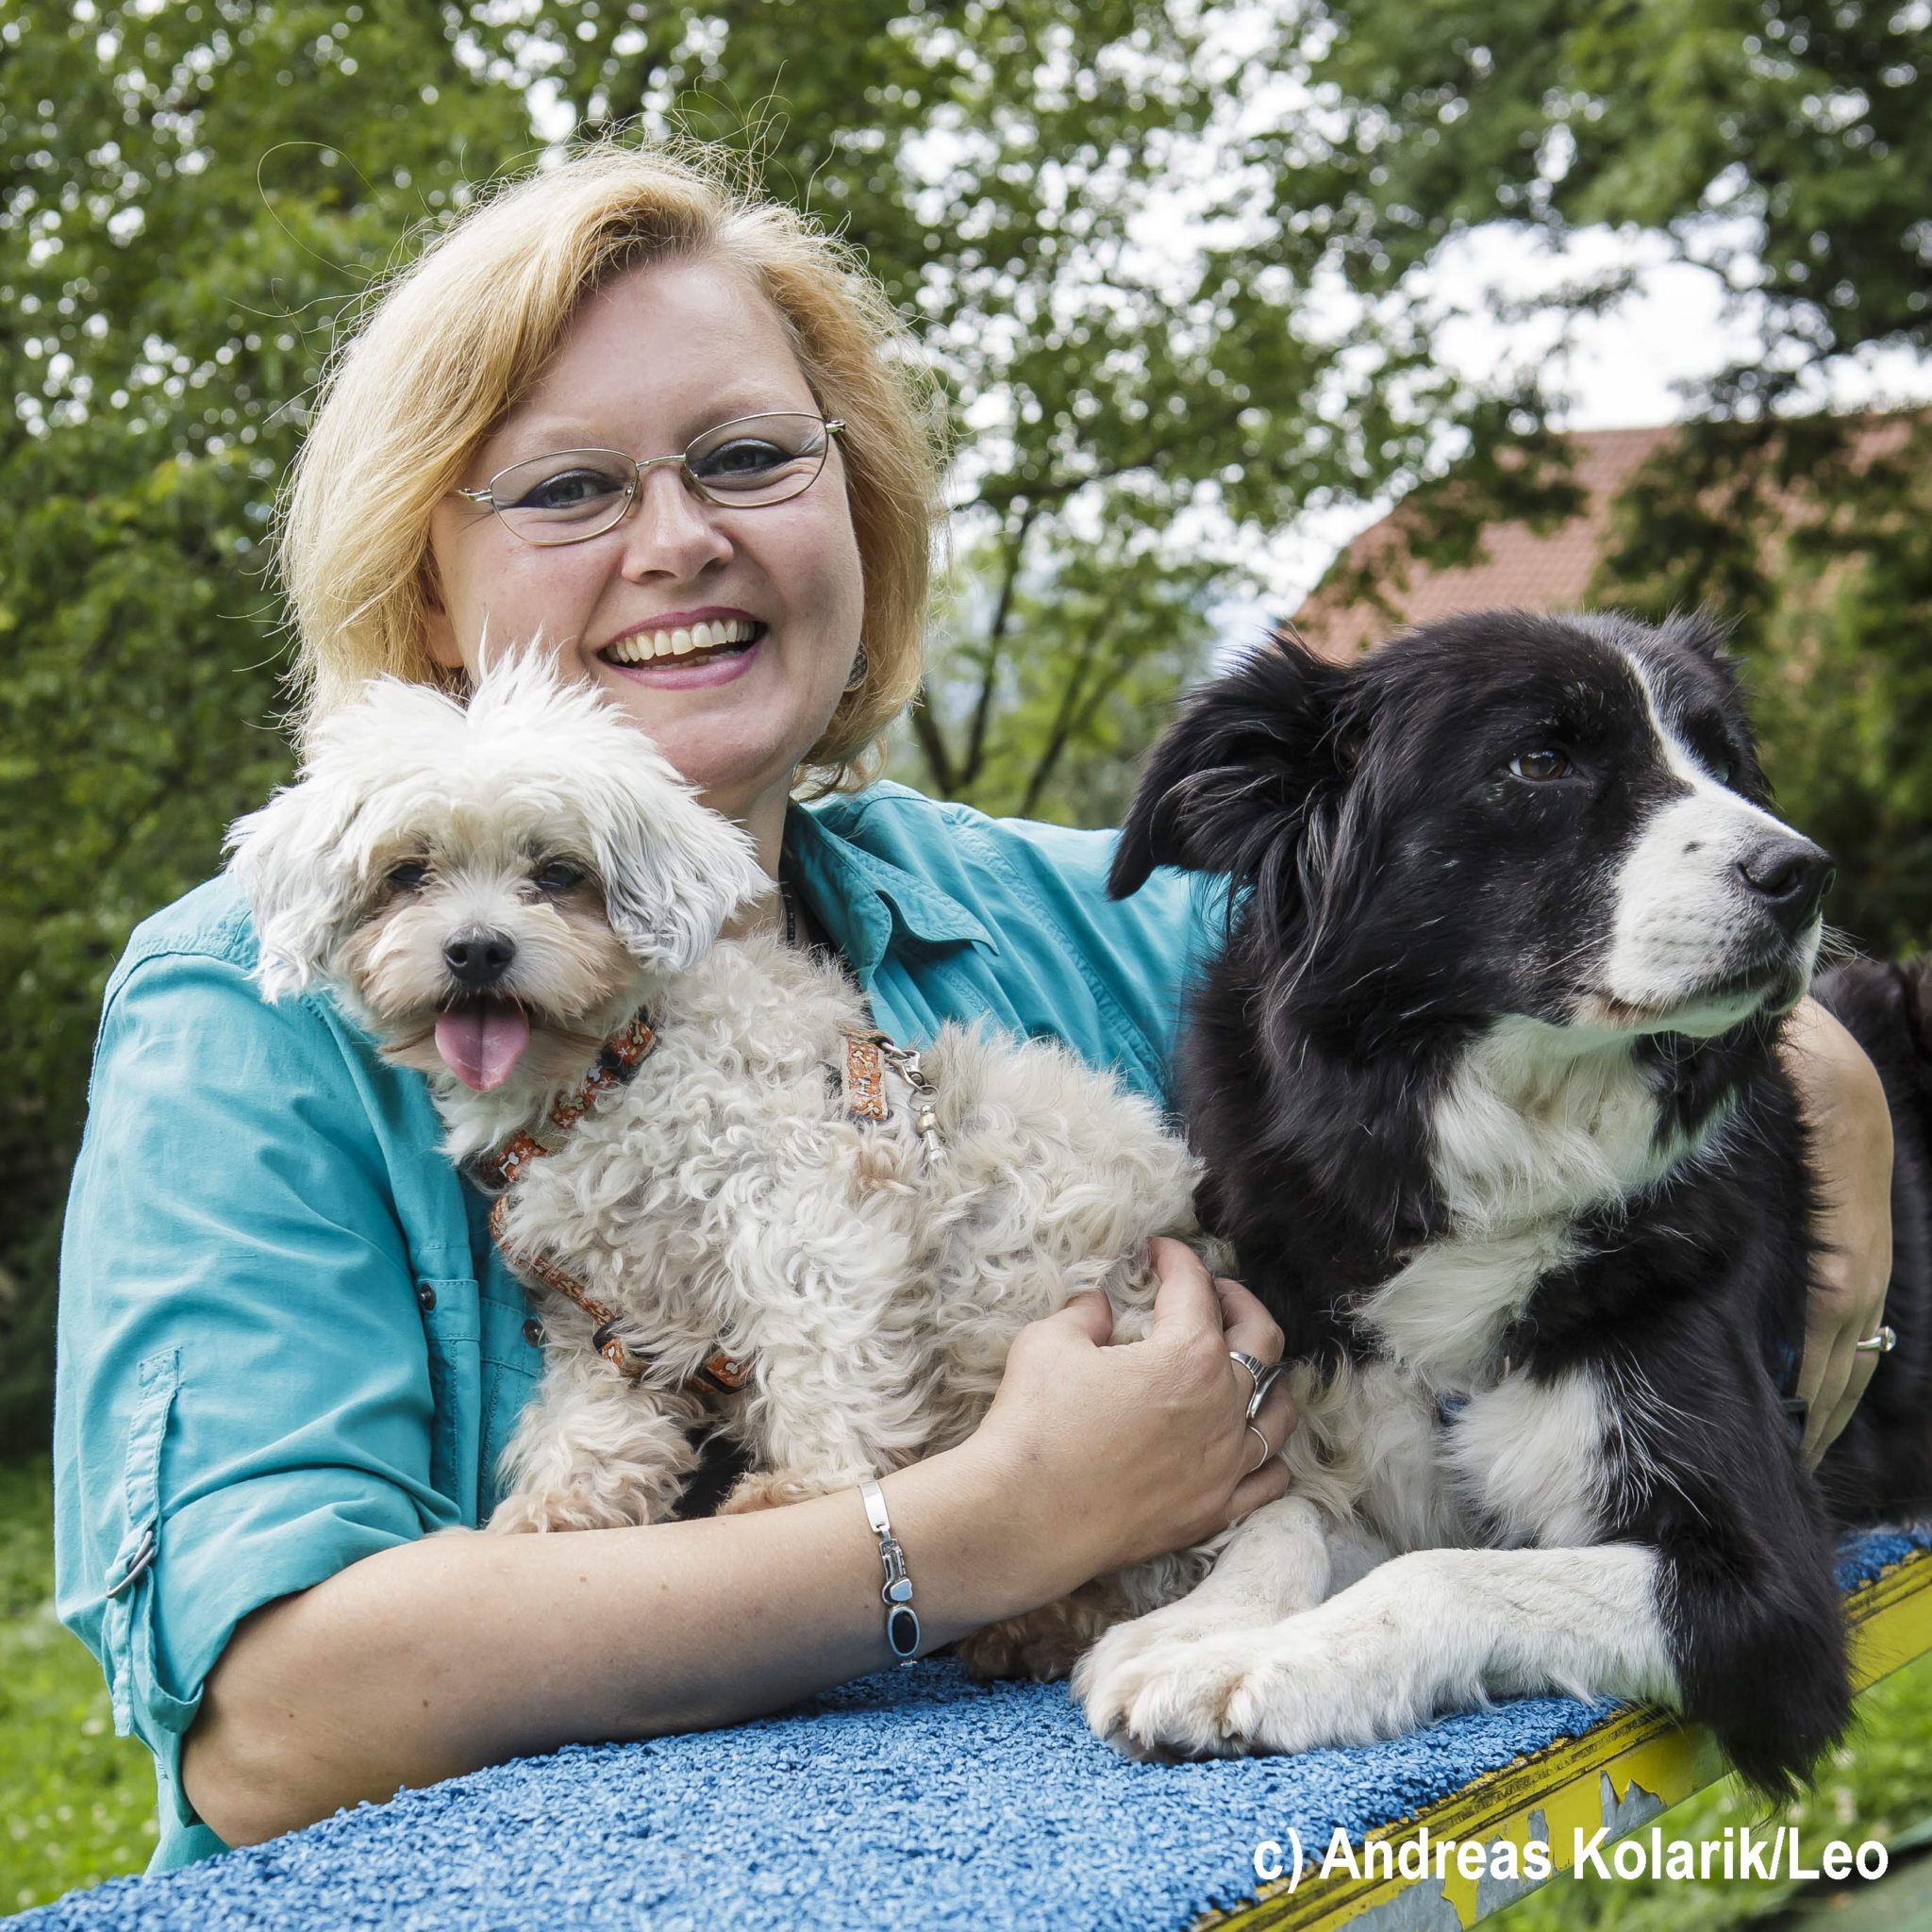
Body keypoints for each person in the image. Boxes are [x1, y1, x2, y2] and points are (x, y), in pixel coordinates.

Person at [53, 140, 1893, 1873]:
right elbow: (274, 1717)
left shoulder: (1048, 916)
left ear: (854, 518)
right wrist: (978, 1529)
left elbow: (1473, 950)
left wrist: (1827, 1076)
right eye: (568, 486)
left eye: (752, 460)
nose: (680, 537)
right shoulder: (249, 1011)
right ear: (425, 582)